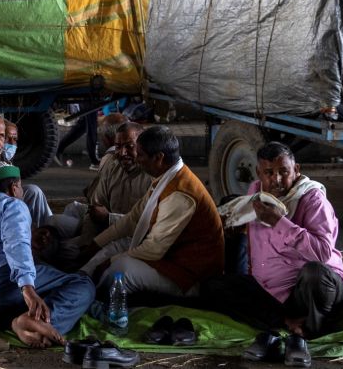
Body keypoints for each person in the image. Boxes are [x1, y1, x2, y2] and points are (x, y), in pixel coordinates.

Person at [200, 142, 343, 367]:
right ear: (259, 174)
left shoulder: (313, 199)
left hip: (310, 289)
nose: (277, 180)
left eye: (284, 172)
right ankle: (287, 323)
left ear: (296, 170)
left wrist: (279, 222)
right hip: (274, 291)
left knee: (314, 273)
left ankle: (307, 330)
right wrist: (235, 227)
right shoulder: (256, 193)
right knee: (213, 286)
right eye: (269, 173)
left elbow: (322, 251)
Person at [0, 162, 95, 348]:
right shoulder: (12, 204)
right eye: (20, 187)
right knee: (83, 284)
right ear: (14, 188)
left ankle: (18, 322)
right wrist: (27, 287)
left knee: (34, 289)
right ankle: (38, 324)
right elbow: (16, 243)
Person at [80, 126, 224, 299]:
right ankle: (80, 278)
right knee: (115, 246)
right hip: (169, 257)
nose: (137, 159)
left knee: (121, 270)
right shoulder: (167, 176)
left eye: (140, 155)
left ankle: (86, 295)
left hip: (189, 276)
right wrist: (95, 244)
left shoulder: (180, 195)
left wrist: (109, 262)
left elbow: (152, 250)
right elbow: (133, 219)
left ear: (158, 158)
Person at [48, 122, 152, 258]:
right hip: (102, 232)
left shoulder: (152, 176)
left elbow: (145, 224)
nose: (122, 153)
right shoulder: (112, 166)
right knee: (57, 236)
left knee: (73, 254)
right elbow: (95, 211)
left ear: (142, 146)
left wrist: (108, 218)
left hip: (132, 239)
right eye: (118, 147)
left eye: (129, 146)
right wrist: (87, 243)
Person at [0, 113, 52, 227]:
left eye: (1, 136)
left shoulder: (1, 157)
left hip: (3, 204)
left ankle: (46, 231)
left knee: (33, 191)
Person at [53, 103, 100, 169]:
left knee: (83, 125)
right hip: (89, 96)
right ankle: (94, 161)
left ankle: (59, 148)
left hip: (89, 96)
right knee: (91, 125)